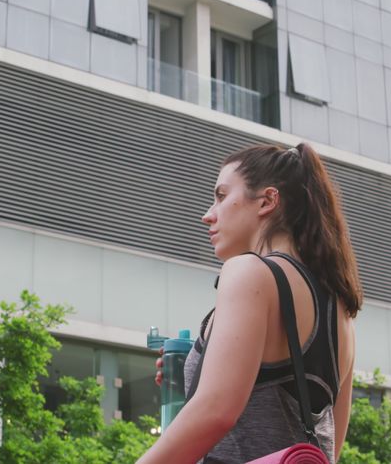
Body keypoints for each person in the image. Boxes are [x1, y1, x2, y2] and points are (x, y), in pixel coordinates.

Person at [137, 143, 363, 464]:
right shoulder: (340, 312)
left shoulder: (248, 272)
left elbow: (215, 411)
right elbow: (326, 450)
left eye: (220, 196)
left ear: (267, 201)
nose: (207, 215)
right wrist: (200, 362)